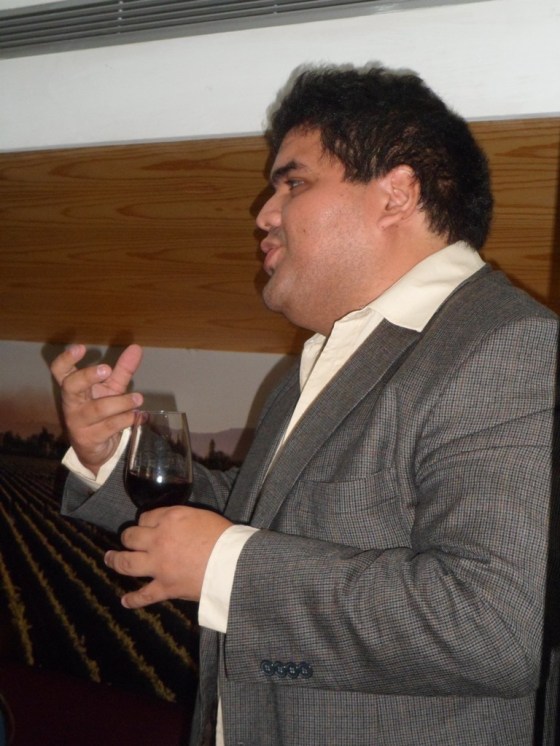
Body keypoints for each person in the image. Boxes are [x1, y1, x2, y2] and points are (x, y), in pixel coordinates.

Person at [50, 65, 558, 745]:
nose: (264, 213)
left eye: (293, 183)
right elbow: (260, 519)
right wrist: (111, 456)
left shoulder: (508, 346)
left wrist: (230, 568)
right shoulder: (331, 352)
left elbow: (494, 627)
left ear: (396, 194)